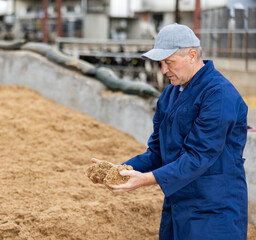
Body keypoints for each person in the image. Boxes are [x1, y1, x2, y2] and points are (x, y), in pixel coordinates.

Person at [87, 23, 248, 240]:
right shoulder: (170, 95)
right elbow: (157, 152)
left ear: (192, 55)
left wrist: (146, 179)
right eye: (161, 63)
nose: (163, 70)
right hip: (178, 204)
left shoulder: (219, 94)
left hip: (214, 208)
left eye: (169, 62)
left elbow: (199, 155)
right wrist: (120, 170)